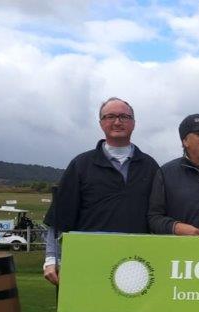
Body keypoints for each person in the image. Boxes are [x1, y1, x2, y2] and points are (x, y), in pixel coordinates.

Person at [42, 97, 160, 285]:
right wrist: (51, 259)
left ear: (134, 123)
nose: (117, 122)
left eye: (124, 116)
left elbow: (159, 216)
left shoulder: (150, 166)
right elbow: (59, 217)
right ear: (101, 123)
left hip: (137, 264)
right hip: (89, 261)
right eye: (110, 116)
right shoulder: (81, 165)